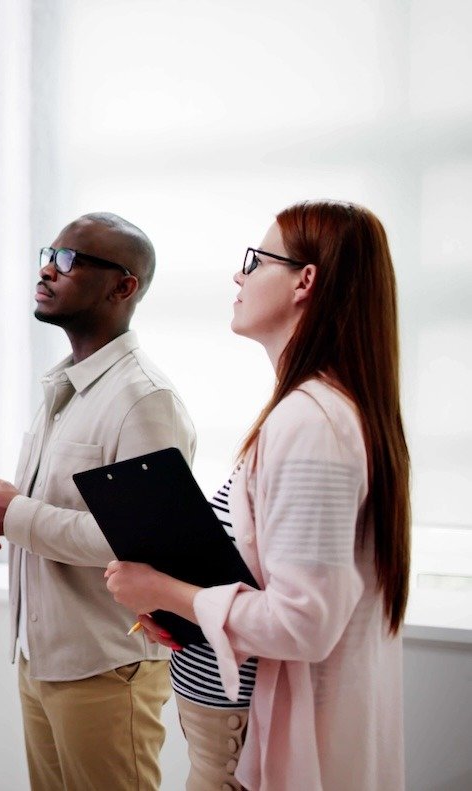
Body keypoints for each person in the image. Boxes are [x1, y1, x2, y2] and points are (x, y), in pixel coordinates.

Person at [106, 200, 409, 790]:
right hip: (227, 720)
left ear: (306, 280)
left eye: (256, 259)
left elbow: (303, 623)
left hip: (243, 738)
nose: (239, 276)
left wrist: (167, 590)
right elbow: (268, 579)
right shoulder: (313, 411)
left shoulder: (312, 422)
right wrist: (186, 608)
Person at [0, 212, 195, 791]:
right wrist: (2, 511)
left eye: (70, 259)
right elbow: (64, 510)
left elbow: (142, 545)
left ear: (124, 287)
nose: (47, 268)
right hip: (42, 658)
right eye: (49, 252)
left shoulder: (145, 398)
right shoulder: (64, 387)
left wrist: (16, 514)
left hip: (106, 666)